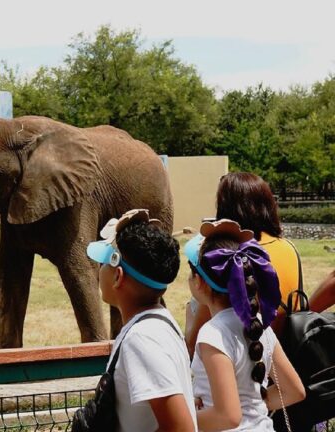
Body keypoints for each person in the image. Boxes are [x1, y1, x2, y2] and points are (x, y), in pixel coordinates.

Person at [186, 219, 305, 431]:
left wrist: (186, 419)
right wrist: (255, 405)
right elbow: (294, 391)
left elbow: (229, 417)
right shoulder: (259, 324)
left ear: (200, 282)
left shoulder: (212, 335)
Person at [86, 209, 196, 432]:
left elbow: (180, 428)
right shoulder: (160, 323)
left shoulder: (143, 339)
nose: (100, 270)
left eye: (104, 263)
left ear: (118, 276)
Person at [186, 172, 302, 356]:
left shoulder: (231, 256)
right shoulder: (290, 248)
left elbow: (194, 343)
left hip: (244, 359)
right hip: (288, 353)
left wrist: (190, 315)